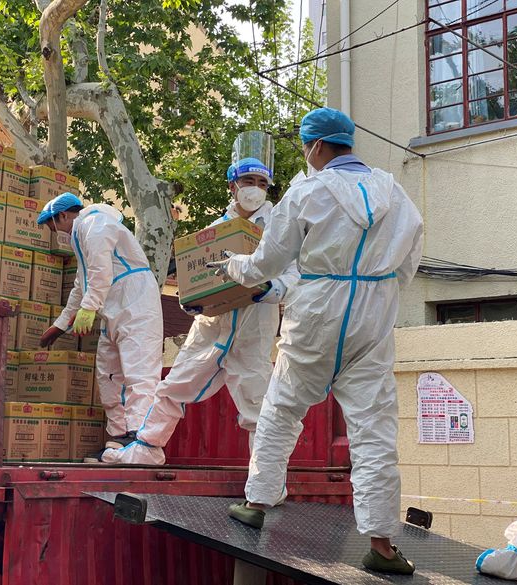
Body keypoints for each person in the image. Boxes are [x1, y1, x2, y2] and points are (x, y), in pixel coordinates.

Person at [210, 108, 424, 575]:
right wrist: (377, 288)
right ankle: (383, 545)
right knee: (374, 430)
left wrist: (231, 266)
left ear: (316, 147)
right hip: (373, 316)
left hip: (317, 314)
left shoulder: (307, 191)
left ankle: (258, 504)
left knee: (282, 407)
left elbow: (265, 264)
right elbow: (409, 264)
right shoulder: (396, 192)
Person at [100, 158, 299, 466]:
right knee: (172, 387)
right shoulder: (213, 233)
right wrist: (190, 303)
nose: (255, 190)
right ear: (232, 187)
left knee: (258, 407)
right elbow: (193, 282)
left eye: (262, 184)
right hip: (211, 328)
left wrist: (268, 289)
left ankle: (264, 479)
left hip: (252, 331)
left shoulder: (278, 232)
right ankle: (146, 450)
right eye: (248, 182)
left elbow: (294, 276)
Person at [37, 193, 164, 464]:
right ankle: (119, 439)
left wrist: (89, 307)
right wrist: (61, 325)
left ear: (62, 216)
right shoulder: (80, 236)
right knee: (109, 373)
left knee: (139, 372)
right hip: (113, 307)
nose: (53, 232)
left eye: (51, 225)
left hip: (136, 302)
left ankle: (141, 439)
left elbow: (100, 271)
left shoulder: (94, 225)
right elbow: (81, 284)